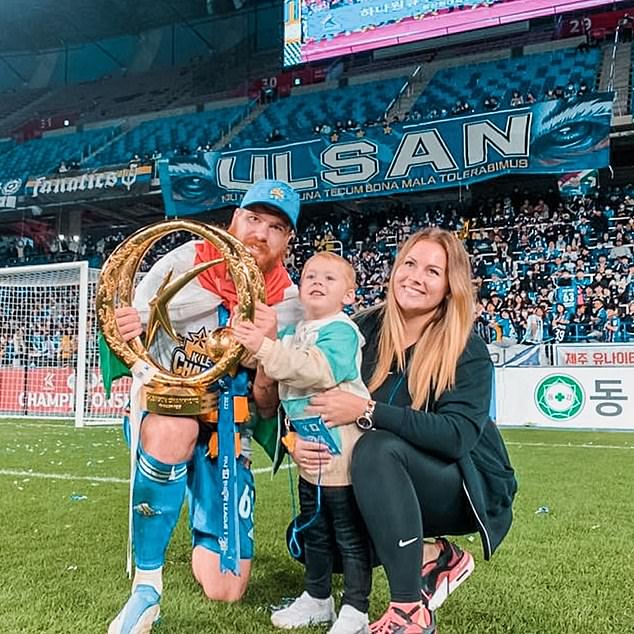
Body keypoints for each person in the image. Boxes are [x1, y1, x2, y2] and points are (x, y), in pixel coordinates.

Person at [293, 228, 517, 633]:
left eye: (433, 271)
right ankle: (434, 557)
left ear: (450, 287)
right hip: (381, 475)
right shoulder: (360, 329)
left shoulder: (465, 346)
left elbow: (456, 437)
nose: (416, 276)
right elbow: (311, 387)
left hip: (464, 486)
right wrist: (296, 441)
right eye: (409, 264)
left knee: (377, 448)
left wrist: (367, 410)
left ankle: (409, 612)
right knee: (316, 540)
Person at [105, 179, 303, 634]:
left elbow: (268, 409)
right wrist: (130, 327)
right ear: (233, 220)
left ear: (287, 240)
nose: (261, 233)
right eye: (253, 219)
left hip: (229, 435)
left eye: (276, 227)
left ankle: (196, 495)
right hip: (166, 413)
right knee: (178, 429)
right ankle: (147, 586)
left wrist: (270, 353)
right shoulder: (180, 263)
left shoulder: (288, 304)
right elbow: (131, 344)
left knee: (227, 588)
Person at [233, 252, 373, 634]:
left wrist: (262, 346)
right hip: (308, 446)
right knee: (315, 525)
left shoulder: (342, 331)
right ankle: (317, 598)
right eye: (310, 275)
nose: (316, 282)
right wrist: (241, 332)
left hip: (341, 445)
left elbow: (316, 369)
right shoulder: (294, 333)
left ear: (349, 294)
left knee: (347, 528)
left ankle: (356, 609)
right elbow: (261, 358)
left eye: (329, 278)